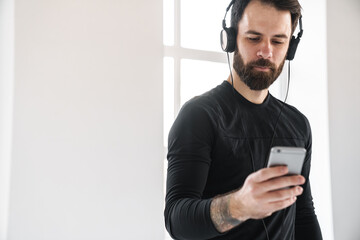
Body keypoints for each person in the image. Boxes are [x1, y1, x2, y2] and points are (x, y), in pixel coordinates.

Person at [164, 0, 322, 239]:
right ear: (230, 39)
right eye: (253, 38)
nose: (266, 52)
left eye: (278, 41)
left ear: (291, 47)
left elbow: (303, 213)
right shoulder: (198, 116)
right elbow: (177, 220)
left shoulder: (298, 124)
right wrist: (240, 205)